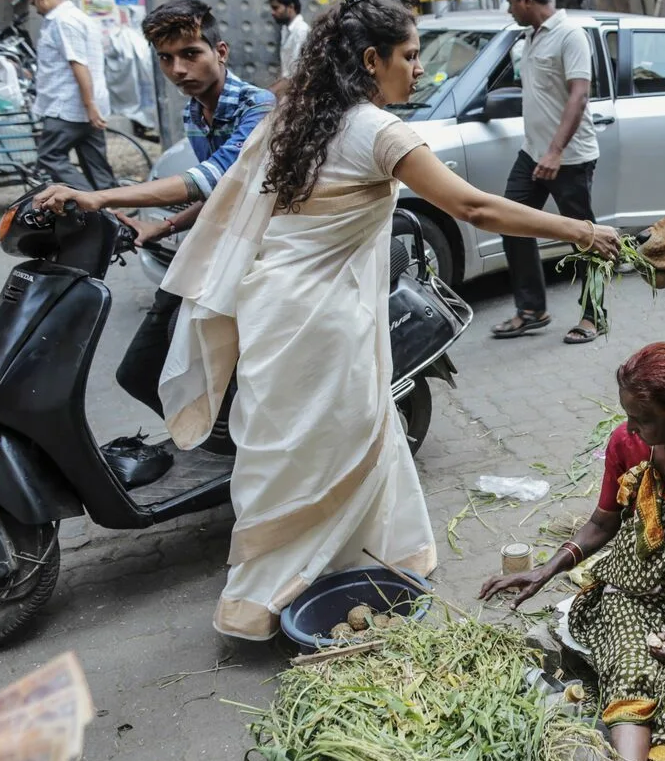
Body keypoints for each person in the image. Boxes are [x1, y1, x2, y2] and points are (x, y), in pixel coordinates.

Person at [40, 0, 620, 640]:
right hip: (326, 322)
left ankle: (282, 589)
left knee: (288, 456)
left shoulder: (294, 118)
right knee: (341, 446)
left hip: (270, 309)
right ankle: (330, 577)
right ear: (372, 61)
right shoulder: (379, 131)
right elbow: (473, 208)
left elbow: (227, 194)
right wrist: (581, 230)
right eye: (410, 55)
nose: (421, 69)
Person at [480, 342, 665, 761]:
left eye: (642, 418)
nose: (630, 427)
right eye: (628, 415)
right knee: (630, 664)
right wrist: (548, 569)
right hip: (636, 583)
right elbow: (603, 523)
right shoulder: (626, 444)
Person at [35, 0, 276, 423]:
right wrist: (159, 228)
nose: (178, 70)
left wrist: (103, 196)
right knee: (140, 371)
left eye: (190, 54)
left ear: (220, 52)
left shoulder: (259, 107)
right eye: (166, 58)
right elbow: (221, 196)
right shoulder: (193, 111)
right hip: (215, 248)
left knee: (230, 376)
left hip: (261, 256)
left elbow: (211, 178)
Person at [490, 0, 608, 345]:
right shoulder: (530, 36)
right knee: (510, 222)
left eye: (511, 2)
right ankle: (532, 311)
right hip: (532, 154)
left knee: (585, 238)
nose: (508, 8)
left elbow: (580, 95)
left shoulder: (571, 35)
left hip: (570, 158)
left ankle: (594, 315)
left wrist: (556, 151)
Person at [31, 0, 117, 192]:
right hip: (87, 106)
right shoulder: (77, 17)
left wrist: (89, 104)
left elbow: (78, 64)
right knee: (96, 164)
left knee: (49, 156)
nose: (32, 6)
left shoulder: (64, 21)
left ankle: (88, 200)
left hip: (67, 107)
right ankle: (112, 211)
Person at [270, 0, 310, 97]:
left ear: (291, 7)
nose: (272, 12)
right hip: (289, 92)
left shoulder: (301, 31)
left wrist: (269, 92)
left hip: (298, 94)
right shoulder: (285, 30)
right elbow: (286, 72)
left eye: (276, 8)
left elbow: (296, 74)